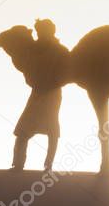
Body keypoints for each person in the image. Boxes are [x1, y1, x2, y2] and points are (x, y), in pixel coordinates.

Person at [12, 19, 69, 171]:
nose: (39, 35)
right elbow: (24, 65)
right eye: (38, 32)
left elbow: (67, 72)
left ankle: (48, 164)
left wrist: (53, 82)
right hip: (37, 91)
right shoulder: (33, 50)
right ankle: (18, 164)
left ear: (49, 31)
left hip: (52, 93)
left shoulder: (60, 51)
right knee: (23, 129)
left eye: (41, 31)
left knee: (52, 129)